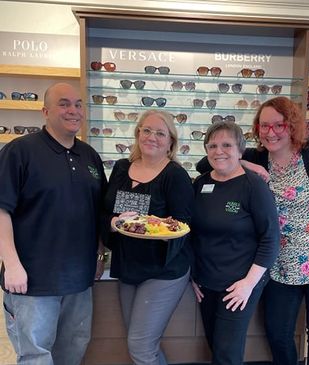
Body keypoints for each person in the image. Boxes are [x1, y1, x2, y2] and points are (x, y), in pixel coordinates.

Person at [196, 96, 309, 365]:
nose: (271, 132)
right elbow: (205, 164)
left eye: (279, 125)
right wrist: (245, 162)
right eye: (264, 126)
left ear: (292, 126)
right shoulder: (256, 156)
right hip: (278, 265)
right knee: (278, 334)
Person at [0, 82, 107, 365]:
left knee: (72, 353)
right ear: (45, 111)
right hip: (32, 282)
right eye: (64, 104)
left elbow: (99, 212)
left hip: (79, 282)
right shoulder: (19, 151)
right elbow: (1, 210)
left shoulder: (89, 156)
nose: (73, 110)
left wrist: (99, 255)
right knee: (36, 356)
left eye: (78, 104)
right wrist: (11, 264)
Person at [102, 109, 194, 365]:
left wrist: (159, 230)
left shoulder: (175, 176)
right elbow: (105, 211)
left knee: (140, 345)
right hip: (127, 266)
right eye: (147, 130)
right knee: (138, 343)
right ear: (138, 133)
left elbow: (185, 224)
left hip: (163, 270)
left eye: (160, 133)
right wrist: (113, 223)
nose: (152, 137)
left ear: (170, 142)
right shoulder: (121, 168)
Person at [191, 120, 280, 365]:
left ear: (241, 151)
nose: (219, 151)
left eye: (227, 145)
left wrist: (248, 284)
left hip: (240, 283)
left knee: (226, 353)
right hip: (206, 281)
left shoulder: (254, 187)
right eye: (212, 145)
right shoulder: (200, 184)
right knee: (214, 343)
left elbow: (271, 239)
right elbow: (191, 232)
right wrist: (193, 274)